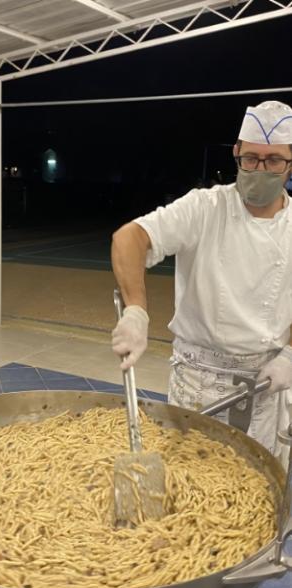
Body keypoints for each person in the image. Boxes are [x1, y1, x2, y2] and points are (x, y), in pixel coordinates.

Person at [111, 100, 292, 461]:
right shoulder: (205, 208)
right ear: (237, 153)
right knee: (191, 482)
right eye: (251, 158)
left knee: (254, 482)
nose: (260, 169)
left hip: (265, 383)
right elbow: (128, 239)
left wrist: (290, 354)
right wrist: (136, 311)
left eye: (273, 161)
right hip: (197, 383)